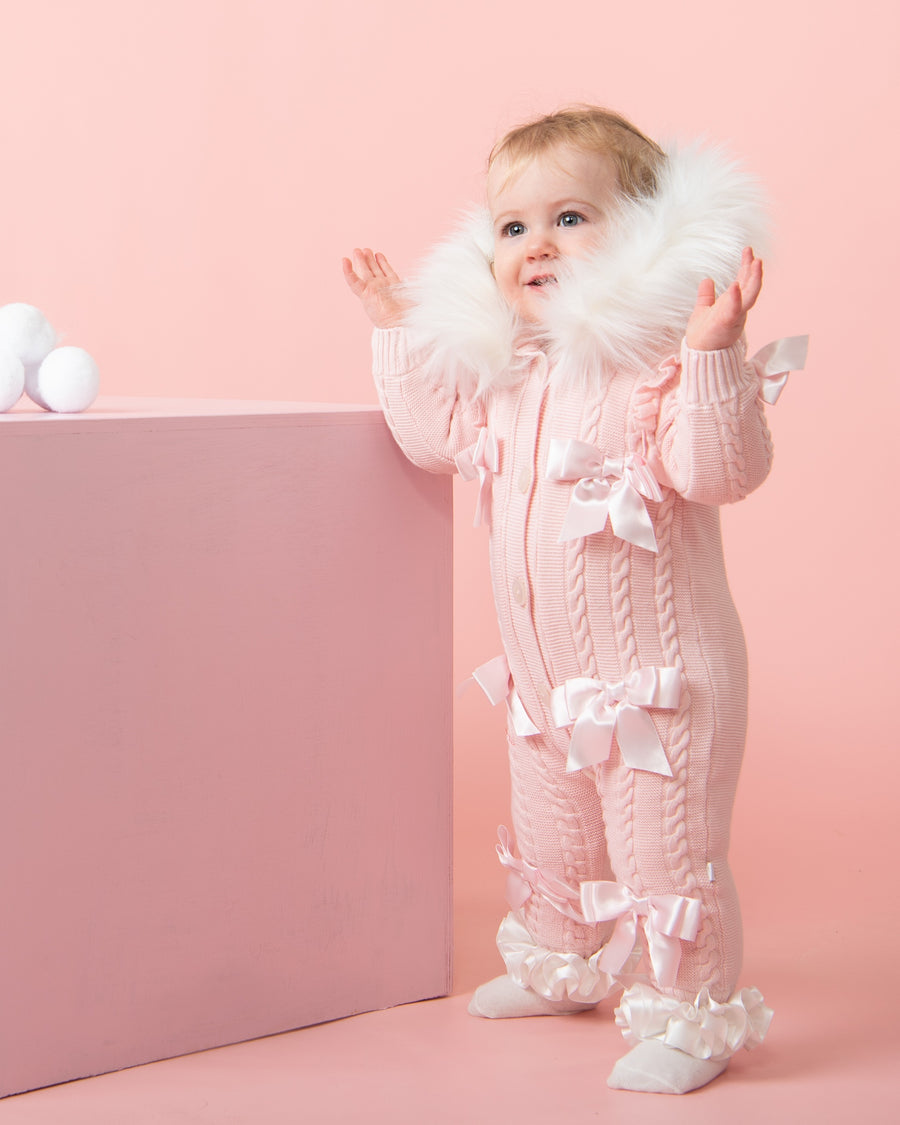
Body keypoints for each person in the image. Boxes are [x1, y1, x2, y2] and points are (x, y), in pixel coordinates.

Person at [343, 106, 804, 1095]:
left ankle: (692, 1015)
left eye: (570, 218)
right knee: (553, 831)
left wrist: (717, 352)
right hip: (544, 683)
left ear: (639, 233)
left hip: (660, 691)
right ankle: (561, 960)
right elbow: (435, 439)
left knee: (665, 853)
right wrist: (397, 330)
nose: (537, 245)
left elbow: (717, 469)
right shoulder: (511, 371)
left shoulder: (657, 361)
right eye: (512, 228)